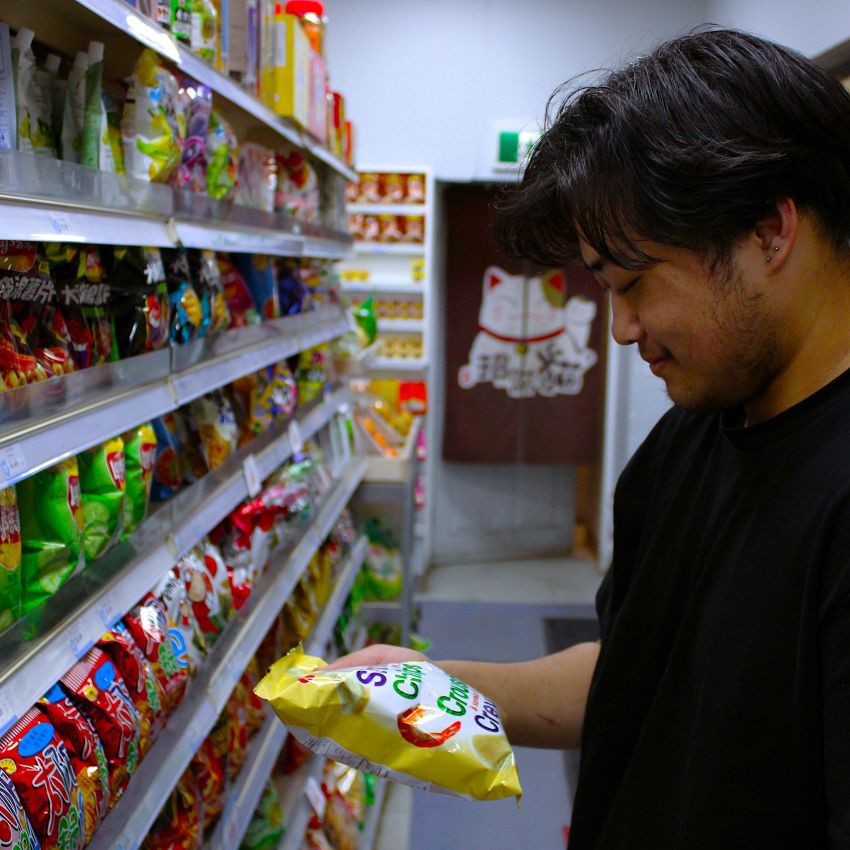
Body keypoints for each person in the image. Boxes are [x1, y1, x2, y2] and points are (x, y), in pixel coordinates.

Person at [333, 28, 850, 848]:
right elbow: (635, 669)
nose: (620, 329)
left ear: (768, 230)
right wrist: (436, 687)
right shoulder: (687, 442)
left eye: (636, 282)